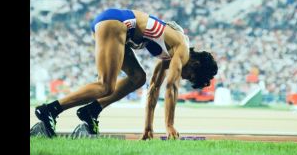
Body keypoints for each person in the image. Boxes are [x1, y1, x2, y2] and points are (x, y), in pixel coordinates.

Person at [34, 8, 218, 139]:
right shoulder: (182, 49)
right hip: (117, 23)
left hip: (120, 29)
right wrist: (169, 125)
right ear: (195, 63)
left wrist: (148, 128)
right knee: (105, 85)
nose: (185, 78)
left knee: (138, 78)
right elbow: (171, 87)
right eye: (191, 76)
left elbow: (153, 89)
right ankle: (50, 110)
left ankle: (92, 110)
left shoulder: (169, 55)